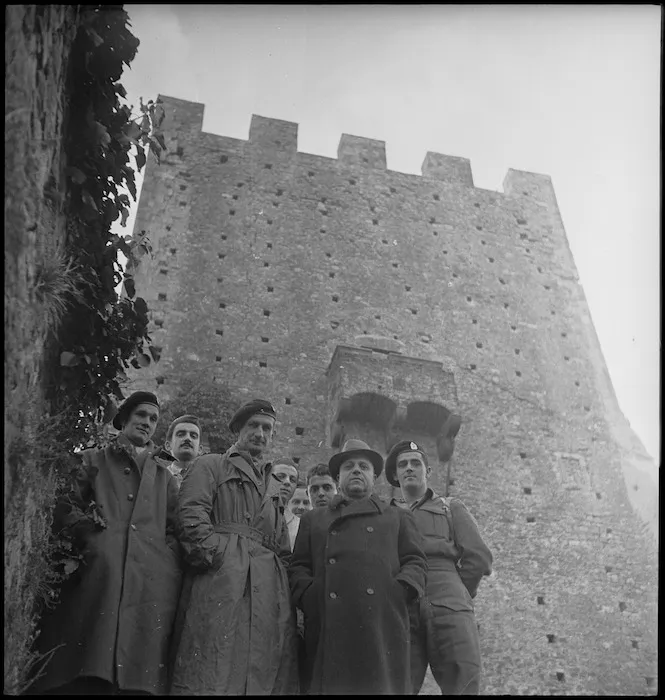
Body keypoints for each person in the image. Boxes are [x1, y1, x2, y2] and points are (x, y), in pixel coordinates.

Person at [29, 391, 182, 695]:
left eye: (153, 419)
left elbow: (176, 528)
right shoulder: (93, 458)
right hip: (97, 577)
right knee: (86, 664)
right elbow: (65, 503)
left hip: (147, 585)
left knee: (134, 675)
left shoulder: (166, 478)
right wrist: (94, 539)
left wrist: (164, 559)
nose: (147, 423)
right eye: (141, 415)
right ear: (124, 419)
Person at [170, 399, 299, 695]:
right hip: (221, 582)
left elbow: (281, 544)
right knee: (212, 664)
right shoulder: (211, 465)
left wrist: (279, 583)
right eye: (253, 425)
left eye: (267, 428)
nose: (260, 433)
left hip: (266, 590)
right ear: (238, 430)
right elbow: (191, 513)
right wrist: (218, 557)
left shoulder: (273, 486)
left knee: (260, 669)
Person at [289, 439, 428, 695]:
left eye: (363, 466)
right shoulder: (313, 519)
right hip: (327, 623)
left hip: (382, 626)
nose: (356, 470)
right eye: (348, 466)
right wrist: (311, 595)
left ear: (373, 476)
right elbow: (298, 567)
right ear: (338, 477)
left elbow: (416, 562)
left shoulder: (397, 516)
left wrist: (397, 593)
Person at [385, 440, 493, 695]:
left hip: (449, 597)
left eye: (416, 463)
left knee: (463, 681)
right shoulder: (387, 515)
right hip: (403, 602)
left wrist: (457, 593)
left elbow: (478, 557)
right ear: (394, 475)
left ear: (428, 471)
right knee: (396, 683)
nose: (409, 468)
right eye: (402, 465)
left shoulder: (450, 507)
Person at [164, 414, 202, 488]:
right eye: (181, 434)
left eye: (193, 436)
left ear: (200, 449)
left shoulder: (209, 481)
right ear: (168, 445)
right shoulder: (157, 477)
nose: (188, 438)